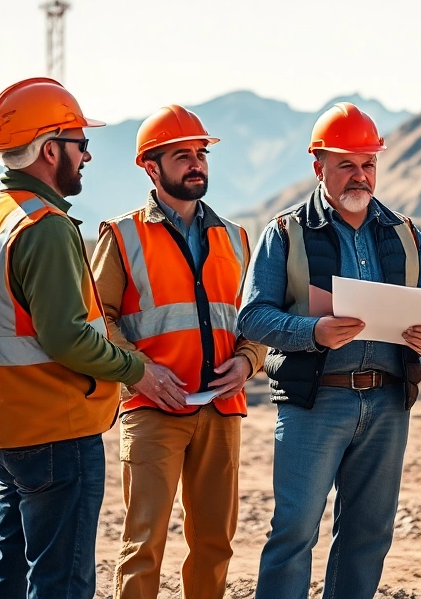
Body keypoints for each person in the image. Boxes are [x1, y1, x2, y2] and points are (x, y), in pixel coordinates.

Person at [0, 77, 186, 599]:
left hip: (3, 426)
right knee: (61, 581)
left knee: (12, 571)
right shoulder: (44, 225)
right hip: (54, 428)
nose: (87, 155)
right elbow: (66, 336)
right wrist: (137, 370)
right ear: (49, 149)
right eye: (80, 144)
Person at [238, 102, 421, 599]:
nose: (361, 175)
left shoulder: (405, 232)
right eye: (346, 164)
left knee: (368, 534)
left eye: (368, 163)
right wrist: (314, 332)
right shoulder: (285, 232)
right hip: (314, 403)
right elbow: (252, 316)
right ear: (319, 167)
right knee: (294, 531)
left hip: (388, 403)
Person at [92, 105, 268, 599]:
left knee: (215, 542)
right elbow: (98, 319)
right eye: (182, 156)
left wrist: (248, 361)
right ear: (151, 168)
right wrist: (140, 373)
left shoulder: (235, 237)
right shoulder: (122, 235)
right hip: (152, 408)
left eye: (200, 154)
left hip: (221, 408)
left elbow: (256, 315)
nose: (196, 164)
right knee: (143, 544)